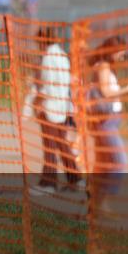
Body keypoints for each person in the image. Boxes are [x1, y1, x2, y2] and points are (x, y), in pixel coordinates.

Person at [87, 35, 128, 213]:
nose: (123, 56)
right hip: (106, 121)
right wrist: (126, 90)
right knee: (119, 162)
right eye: (121, 52)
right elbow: (106, 91)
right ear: (113, 51)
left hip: (109, 120)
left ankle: (97, 204)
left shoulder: (105, 66)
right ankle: (102, 201)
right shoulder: (103, 66)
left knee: (105, 163)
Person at [31, 26, 78, 193]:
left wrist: (35, 103)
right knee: (62, 144)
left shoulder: (48, 58)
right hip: (62, 106)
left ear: (42, 40)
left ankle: (49, 184)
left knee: (50, 147)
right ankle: (75, 179)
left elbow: (46, 88)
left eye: (37, 41)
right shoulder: (62, 56)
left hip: (49, 108)